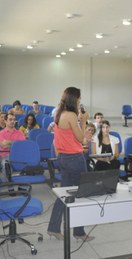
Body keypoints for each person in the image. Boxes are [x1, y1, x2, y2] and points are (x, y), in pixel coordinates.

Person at [47, 87, 94, 242]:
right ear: (74, 99)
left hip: (63, 158)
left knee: (64, 194)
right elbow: (81, 138)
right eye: (79, 98)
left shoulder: (59, 113)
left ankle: (54, 228)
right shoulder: (72, 115)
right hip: (74, 159)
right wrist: (84, 119)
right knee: (80, 194)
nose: (80, 101)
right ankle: (79, 232)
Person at [0, 113, 25, 182]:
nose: (12, 121)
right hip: (6, 155)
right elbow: (3, 145)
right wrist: (16, 144)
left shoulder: (20, 132)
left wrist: (8, 142)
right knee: (6, 164)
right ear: (5, 121)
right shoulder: (0, 133)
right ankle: (9, 186)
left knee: (28, 162)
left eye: (14, 120)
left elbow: (23, 145)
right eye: (10, 119)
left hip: (19, 154)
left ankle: (23, 186)